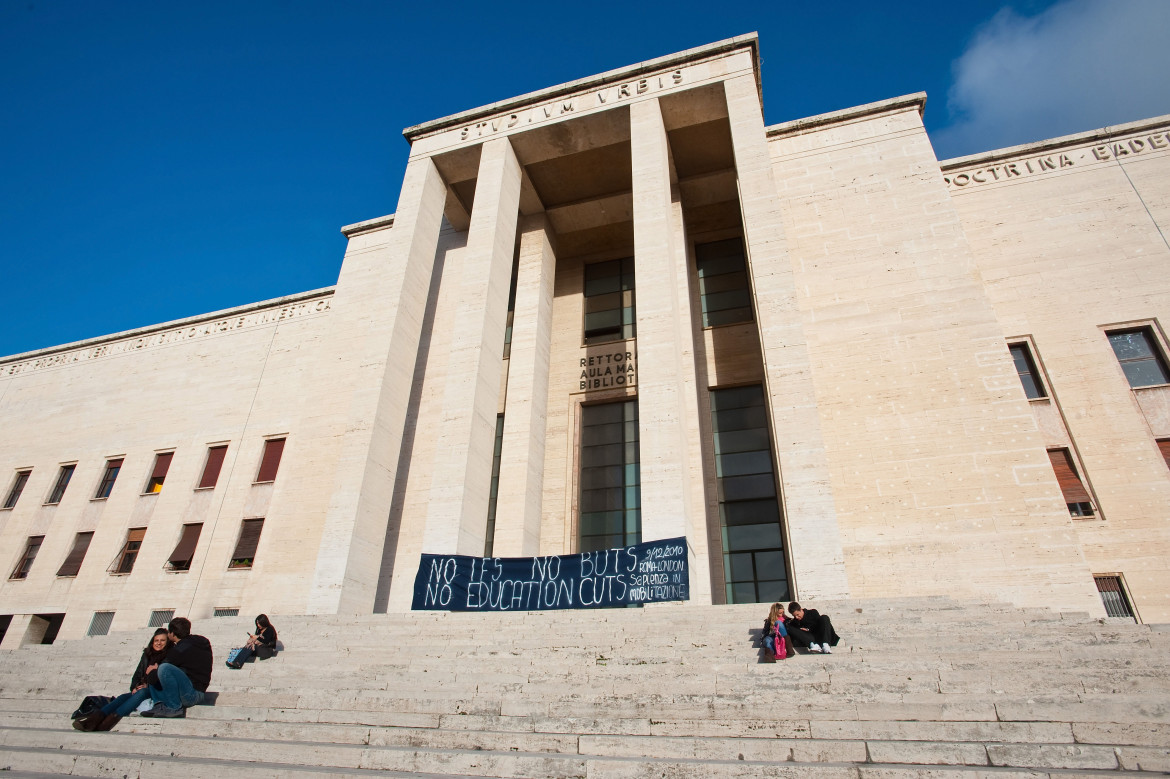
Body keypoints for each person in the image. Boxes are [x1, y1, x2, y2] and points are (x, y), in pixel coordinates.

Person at [73, 628, 169, 732]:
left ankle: (107, 723)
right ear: (152, 641)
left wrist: (147, 686)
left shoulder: (168, 656)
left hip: (157, 690)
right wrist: (135, 687)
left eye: (162, 640)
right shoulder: (147, 655)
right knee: (123, 697)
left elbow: (164, 679)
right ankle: (94, 720)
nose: (159, 643)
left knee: (141, 693)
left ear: (167, 642)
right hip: (142, 689)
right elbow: (137, 674)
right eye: (156, 640)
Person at [141, 617, 213, 718]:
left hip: (192, 695)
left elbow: (153, 678)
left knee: (162, 668)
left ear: (173, 633)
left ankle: (173, 707)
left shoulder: (180, 650)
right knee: (159, 668)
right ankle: (159, 706)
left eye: (169, 632)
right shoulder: (199, 641)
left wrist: (153, 670)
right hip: (197, 692)